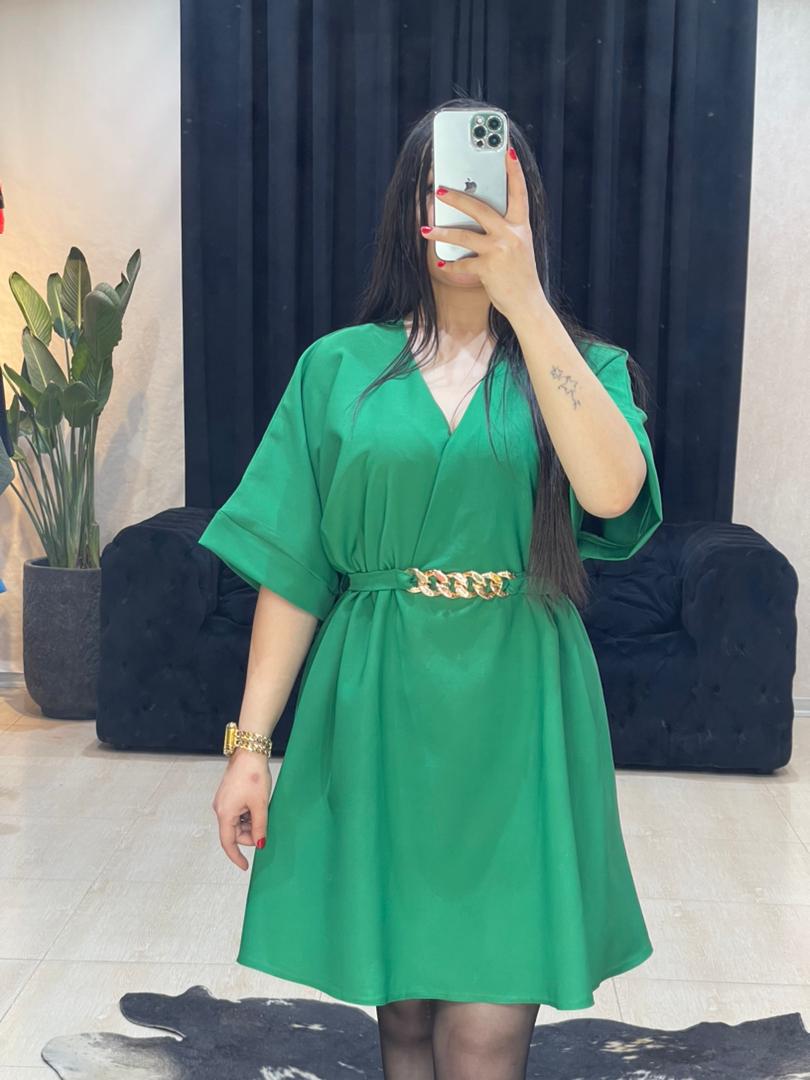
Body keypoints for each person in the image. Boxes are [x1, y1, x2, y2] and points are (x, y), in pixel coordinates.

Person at [199, 96, 663, 1080]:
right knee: (404, 1015)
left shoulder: (581, 367)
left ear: (526, 212)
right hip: (378, 705)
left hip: (520, 709)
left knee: (488, 1025)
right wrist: (250, 749)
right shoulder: (336, 369)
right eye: (439, 189)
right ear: (407, 212)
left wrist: (526, 302)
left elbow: (614, 491)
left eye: (487, 190)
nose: (461, 209)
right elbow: (294, 572)